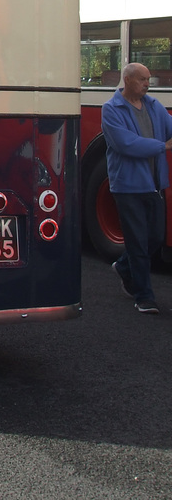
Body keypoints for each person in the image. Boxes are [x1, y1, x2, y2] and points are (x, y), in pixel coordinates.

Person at [101, 62, 172, 314]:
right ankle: (144, 297)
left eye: (148, 79)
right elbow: (126, 144)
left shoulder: (154, 106)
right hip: (128, 187)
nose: (147, 84)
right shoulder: (111, 109)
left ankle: (123, 266)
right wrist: (162, 146)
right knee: (138, 243)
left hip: (155, 184)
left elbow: (170, 128)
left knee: (154, 237)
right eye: (143, 79)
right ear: (127, 80)